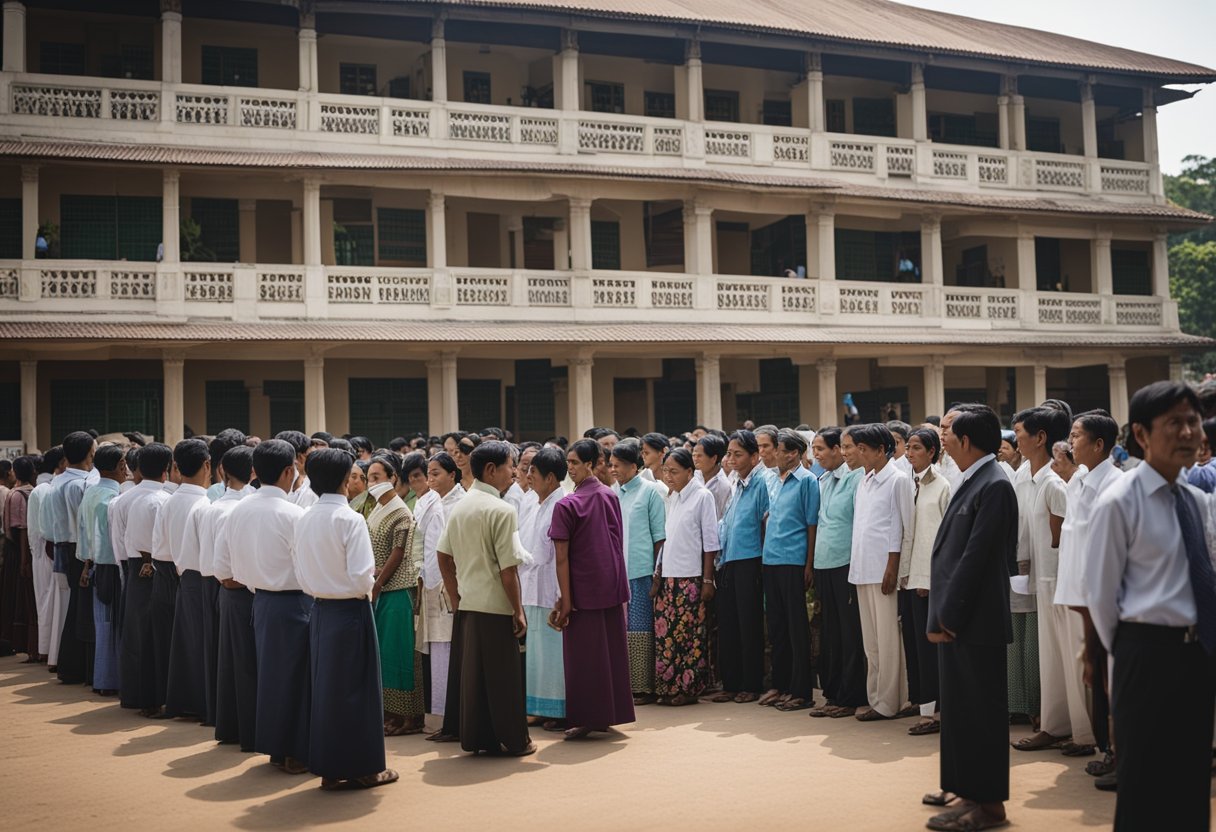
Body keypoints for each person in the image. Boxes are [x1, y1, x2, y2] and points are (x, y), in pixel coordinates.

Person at [1086, 382, 1215, 832]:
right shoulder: (1119, 503)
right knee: (1145, 784)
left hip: (1195, 655)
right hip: (1144, 654)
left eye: (1193, 422)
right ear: (1141, 434)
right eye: (1174, 423)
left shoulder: (1196, 501)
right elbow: (1101, 596)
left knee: (1190, 780)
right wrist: (1131, 656)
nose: (1187, 433)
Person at [925, 405, 1016, 832]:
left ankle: (990, 805)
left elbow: (976, 560)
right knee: (961, 712)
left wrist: (948, 615)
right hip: (960, 618)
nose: (941, 438)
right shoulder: (972, 478)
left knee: (981, 714)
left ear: (966, 440)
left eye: (948, 433)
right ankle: (969, 790)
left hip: (973, 621)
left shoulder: (994, 484)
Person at [294, 448, 399, 791]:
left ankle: (329, 765)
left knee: (326, 689)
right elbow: (361, 576)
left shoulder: (305, 516)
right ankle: (365, 767)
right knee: (359, 690)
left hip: (320, 609)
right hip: (351, 610)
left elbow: (300, 570)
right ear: (343, 480)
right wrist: (365, 588)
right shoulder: (350, 519)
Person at [437, 440, 534, 756]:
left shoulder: (462, 505)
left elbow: (443, 556)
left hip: (468, 604)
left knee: (476, 679)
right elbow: (508, 570)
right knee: (504, 677)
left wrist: (455, 595)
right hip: (494, 605)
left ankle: (479, 737)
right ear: (492, 470)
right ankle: (515, 740)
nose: (514, 473)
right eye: (510, 466)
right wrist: (517, 610)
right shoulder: (502, 510)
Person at [1010, 406, 1094, 756]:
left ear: (1040, 437)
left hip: (1058, 579)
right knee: (1049, 659)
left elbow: (1061, 539)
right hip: (1035, 580)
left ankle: (1084, 733)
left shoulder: (1054, 482)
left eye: (1019, 435)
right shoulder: (1021, 475)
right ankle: (1054, 725)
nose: (1015, 442)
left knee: (1068, 658)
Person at [228, 439, 310, 773]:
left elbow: (235, 560)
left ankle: (277, 748)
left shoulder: (240, 510)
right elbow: (305, 566)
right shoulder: (293, 514)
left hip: (260, 599)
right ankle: (293, 750)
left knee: (271, 675)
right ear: (290, 470)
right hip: (293, 602)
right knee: (295, 678)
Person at [1053, 410, 1122, 778]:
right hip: (1075, 595)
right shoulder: (1079, 479)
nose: (1070, 442)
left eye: (1077, 436)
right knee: (1090, 676)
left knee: (1108, 678)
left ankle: (1115, 751)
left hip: (1099, 599)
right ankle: (1103, 746)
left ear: (1099, 444)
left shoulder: (1114, 486)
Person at [550, 439, 635, 735]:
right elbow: (616, 542)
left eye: (575, 462)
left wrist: (565, 600)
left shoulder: (567, 504)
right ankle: (609, 714)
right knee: (609, 654)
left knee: (583, 658)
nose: (570, 468)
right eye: (568, 462)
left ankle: (587, 719)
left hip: (583, 590)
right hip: (609, 585)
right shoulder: (608, 495)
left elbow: (561, 558)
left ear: (591, 464)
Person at [647, 446, 718, 708]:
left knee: (688, 636)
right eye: (665, 471)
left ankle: (688, 688)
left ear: (690, 471)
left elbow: (710, 543)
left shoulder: (703, 496)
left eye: (674, 471)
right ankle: (670, 685)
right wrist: (658, 574)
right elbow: (667, 541)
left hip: (691, 578)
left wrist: (708, 581)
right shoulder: (672, 498)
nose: (668, 476)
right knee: (667, 636)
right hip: (668, 578)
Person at [848, 423, 910, 721]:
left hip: (883, 570)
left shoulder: (898, 480)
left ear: (881, 449)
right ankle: (875, 697)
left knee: (887, 639)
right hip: (862, 568)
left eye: (863, 449)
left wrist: (893, 567)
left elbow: (900, 527)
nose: (859, 453)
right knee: (871, 641)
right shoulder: (864, 480)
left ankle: (890, 702)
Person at [808, 428, 867, 719]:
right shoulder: (823, 480)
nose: (816, 454)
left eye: (821, 449)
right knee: (829, 632)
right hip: (824, 564)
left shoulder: (856, 479)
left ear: (836, 450)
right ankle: (832, 693)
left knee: (849, 634)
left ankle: (851, 695)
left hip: (846, 564)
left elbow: (858, 525)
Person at [759, 429, 819, 711]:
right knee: (778, 627)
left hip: (794, 561)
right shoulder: (773, 480)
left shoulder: (807, 481)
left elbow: (811, 524)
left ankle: (801, 690)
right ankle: (780, 685)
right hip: (771, 560)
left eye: (779, 450)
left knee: (796, 628)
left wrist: (809, 564)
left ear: (793, 453)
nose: (773, 454)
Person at [898, 428, 950, 736]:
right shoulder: (908, 484)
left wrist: (929, 578)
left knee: (931, 649)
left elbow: (943, 538)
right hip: (909, 576)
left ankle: (934, 713)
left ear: (932, 452)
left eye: (916, 448)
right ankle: (923, 704)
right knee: (915, 646)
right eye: (908, 447)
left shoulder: (942, 486)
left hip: (929, 579)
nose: (909, 453)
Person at [366, 454, 421, 736]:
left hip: (396, 588)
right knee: (385, 654)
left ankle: (408, 717)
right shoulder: (377, 507)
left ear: (393, 478)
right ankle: (391, 713)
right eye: (369, 478)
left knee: (399, 653)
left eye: (377, 477)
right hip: (380, 588)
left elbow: (398, 553)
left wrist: (378, 583)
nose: (372, 483)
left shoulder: (400, 511)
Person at [609, 441, 666, 705]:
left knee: (640, 628)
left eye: (618, 465)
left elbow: (660, 537)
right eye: (611, 465)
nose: (613, 470)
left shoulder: (651, 492)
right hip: (618, 572)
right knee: (621, 629)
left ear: (634, 466)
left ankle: (643, 686)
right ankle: (625, 685)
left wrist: (657, 572)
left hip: (642, 571)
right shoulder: (612, 493)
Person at [159, 438, 212, 719]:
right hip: (205, 579)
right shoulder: (207, 505)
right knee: (204, 643)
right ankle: (203, 703)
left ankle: (184, 701)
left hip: (181, 576)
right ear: (207, 465)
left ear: (176, 467)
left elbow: (160, 549)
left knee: (185, 644)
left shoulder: (168, 503)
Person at [713, 430, 767, 704]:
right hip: (729, 560)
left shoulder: (761, 483)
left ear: (754, 456)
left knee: (749, 624)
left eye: (738, 454)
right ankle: (731, 682)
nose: (732, 459)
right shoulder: (735, 483)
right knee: (729, 624)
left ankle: (751, 683)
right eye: (730, 454)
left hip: (750, 559)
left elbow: (764, 525)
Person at [207, 445, 255, 747]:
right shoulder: (242, 508)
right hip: (241, 589)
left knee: (229, 662)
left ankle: (230, 726)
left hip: (225, 587)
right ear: (253, 472)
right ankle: (247, 729)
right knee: (246, 664)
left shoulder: (214, 506)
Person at [119, 443, 172, 716]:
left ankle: (134, 694)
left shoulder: (128, 498)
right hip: (156, 569)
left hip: (133, 567)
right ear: (166, 470)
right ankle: (154, 697)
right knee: (155, 634)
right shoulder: (163, 500)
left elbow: (120, 539)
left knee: (136, 632)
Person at [519, 447, 567, 725]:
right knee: (537, 653)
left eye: (533, 472)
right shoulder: (535, 503)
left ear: (549, 478)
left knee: (553, 653)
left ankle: (558, 709)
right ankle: (540, 707)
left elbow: (550, 554)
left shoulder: (560, 505)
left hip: (550, 588)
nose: (527, 477)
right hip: (531, 586)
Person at [76, 444, 126, 695]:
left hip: (94, 565)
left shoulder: (90, 494)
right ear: (119, 466)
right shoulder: (113, 499)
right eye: (124, 463)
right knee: (112, 623)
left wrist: (86, 564)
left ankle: (102, 677)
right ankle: (109, 679)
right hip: (112, 567)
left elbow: (84, 533)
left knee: (102, 622)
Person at [406, 452, 451, 719]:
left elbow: (441, 549)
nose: (429, 480)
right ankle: (437, 711)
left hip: (443, 585)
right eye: (428, 474)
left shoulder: (446, 504)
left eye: (434, 474)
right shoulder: (425, 503)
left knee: (444, 646)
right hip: (427, 582)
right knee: (434, 648)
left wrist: (436, 583)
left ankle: (444, 712)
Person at [51, 431, 96, 685]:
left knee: (76, 608)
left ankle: (71, 666)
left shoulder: (59, 481)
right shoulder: (81, 485)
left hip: (65, 546)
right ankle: (73, 667)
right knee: (81, 610)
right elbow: (85, 523)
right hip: (80, 549)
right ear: (89, 454)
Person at [27, 448, 63, 665]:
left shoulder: (44, 489)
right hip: (46, 549)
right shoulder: (44, 490)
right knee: (47, 600)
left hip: (44, 550)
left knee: (48, 601)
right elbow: (37, 527)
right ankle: (46, 649)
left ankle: (47, 649)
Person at [4, 457, 37, 661]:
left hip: (17, 552)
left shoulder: (15, 495)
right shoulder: (32, 492)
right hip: (25, 552)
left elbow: (21, 529)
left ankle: (24, 644)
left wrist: (23, 560)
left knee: (19, 598)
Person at [693, 434, 731, 519]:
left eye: (699, 456)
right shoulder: (693, 477)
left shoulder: (723, 485)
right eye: (693, 455)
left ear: (714, 458)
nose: (695, 459)